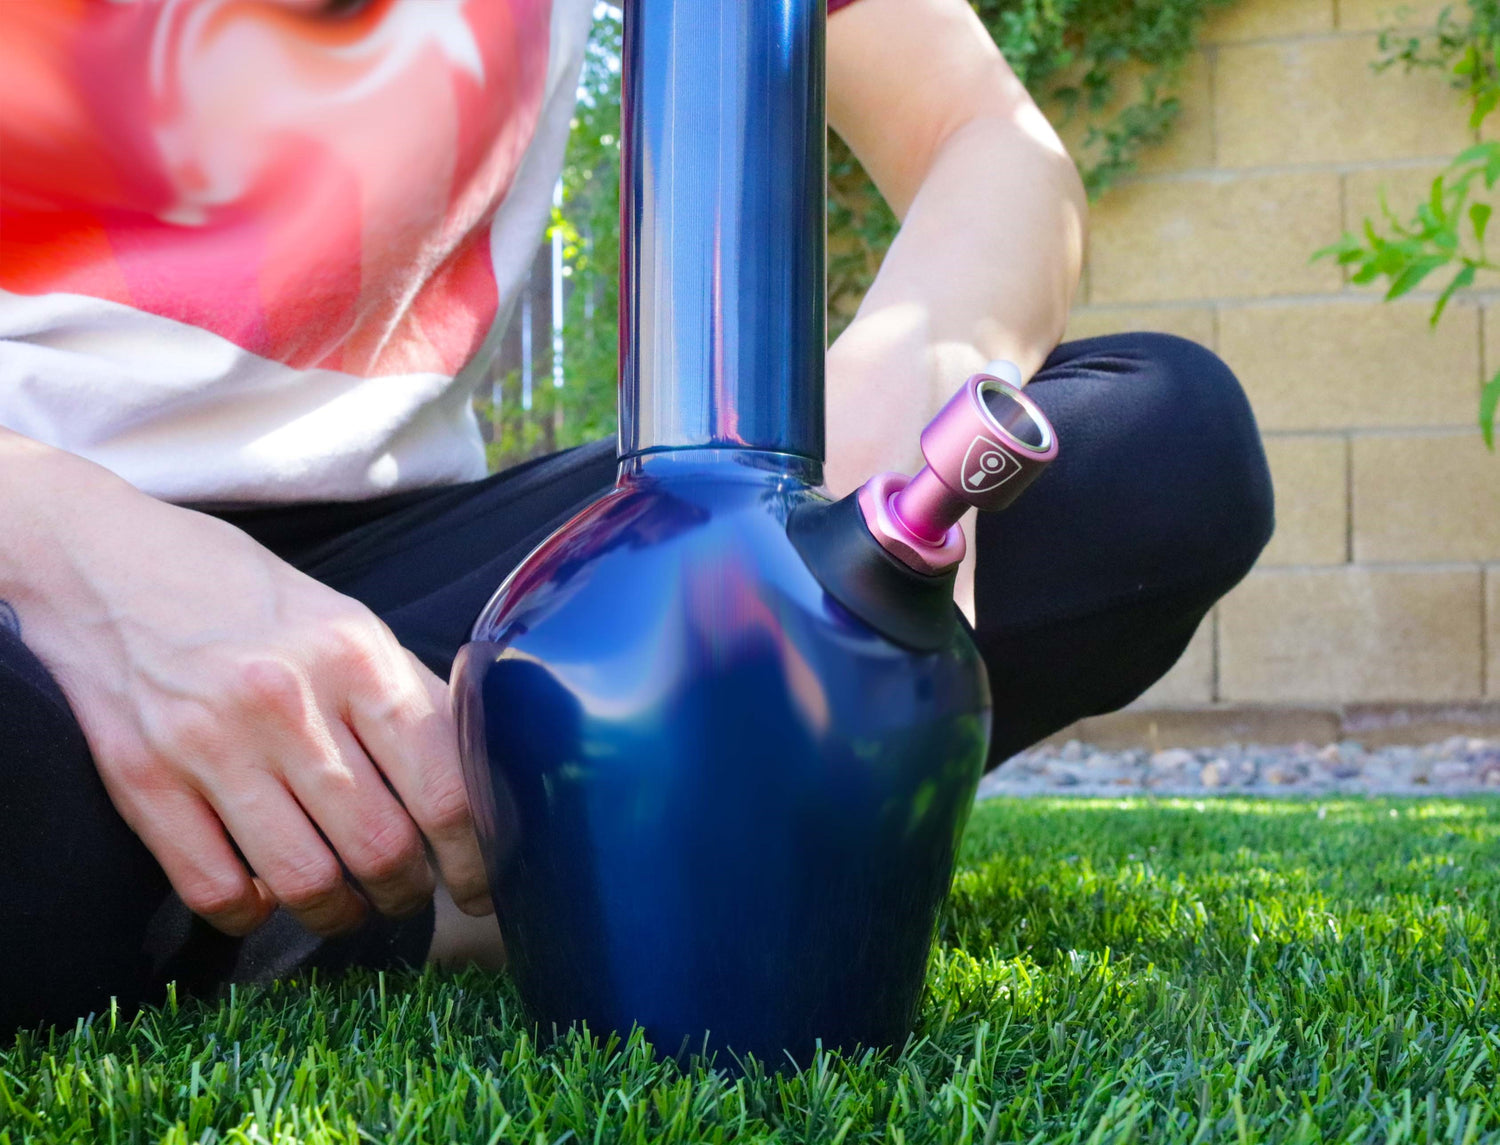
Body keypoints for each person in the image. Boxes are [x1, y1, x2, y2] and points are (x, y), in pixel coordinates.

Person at [0, 0, 1273, 1034]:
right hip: (29, 558)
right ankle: (536, 861)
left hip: (410, 618)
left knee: (1159, 452)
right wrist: (68, 542)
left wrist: (906, 371)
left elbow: (986, 135)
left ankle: (398, 852)